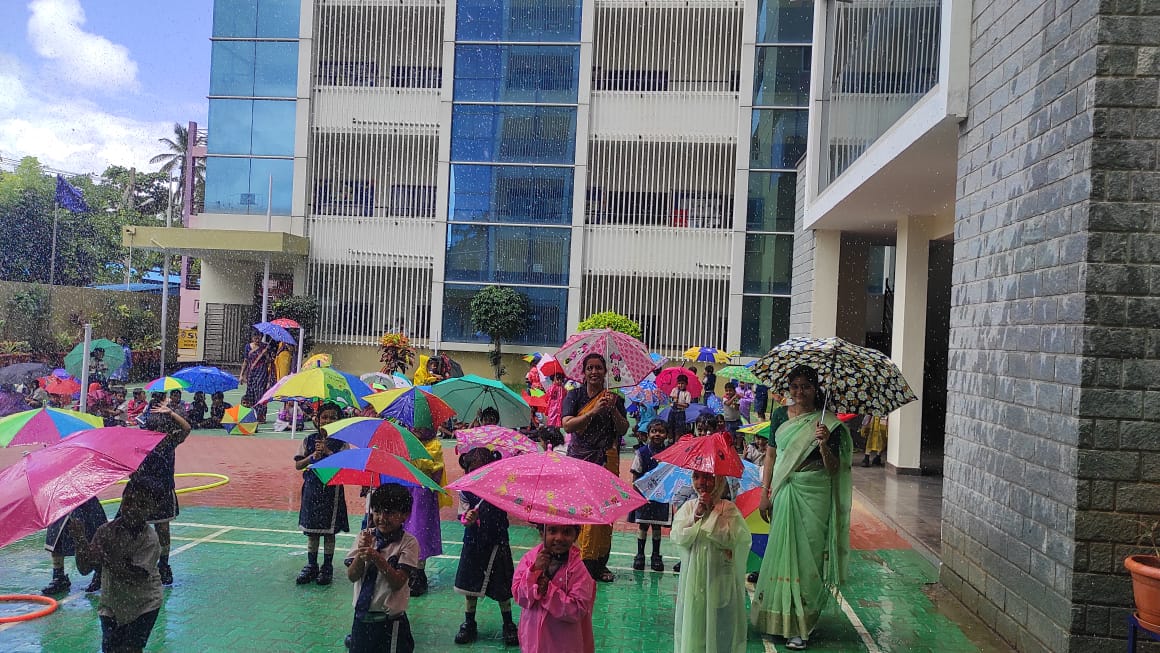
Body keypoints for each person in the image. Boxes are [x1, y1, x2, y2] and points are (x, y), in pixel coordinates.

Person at [750, 366, 853, 650]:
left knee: (809, 557)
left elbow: (835, 469)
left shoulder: (828, 423)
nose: (799, 392)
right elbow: (771, 455)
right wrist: (765, 492)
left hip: (815, 492)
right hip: (785, 489)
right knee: (781, 551)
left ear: (815, 389)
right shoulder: (780, 416)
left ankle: (801, 625)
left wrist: (824, 444)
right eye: (794, 386)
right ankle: (778, 619)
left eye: (806, 386)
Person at [70, 483, 163, 653]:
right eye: (128, 502)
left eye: (142, 504)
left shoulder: (150, 539)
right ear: (121, 502)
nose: (133, 508)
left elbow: (135, 576)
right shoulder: (106, 531)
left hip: (144, 604)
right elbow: (84, 568)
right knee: (110, 648)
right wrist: (80, 540)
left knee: (129, 649)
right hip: (112, 604)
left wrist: (106, 558)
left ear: (152, 509)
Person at [560, 353, 629, 583]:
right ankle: (575, 561)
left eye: (598, 368)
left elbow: (623, 429)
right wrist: (593, 411)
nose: (594, 372)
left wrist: (612, 410)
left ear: (605, 372)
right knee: (579, 511)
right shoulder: (575, 396)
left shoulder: (614, 399)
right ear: (584, 372)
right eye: (590, 368)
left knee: (604, 513)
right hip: (579, 461)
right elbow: (567, 425)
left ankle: (598, 563)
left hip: (605, 461)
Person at [671, 470, 750, 653]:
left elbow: (731, 539)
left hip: (719, 578)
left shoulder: (727, 509)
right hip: (695, 579)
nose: (701, 482)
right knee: (696, 622)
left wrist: (712, 512)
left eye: (708, 477)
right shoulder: (689, 507)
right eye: (696, 477)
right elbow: (679, 537)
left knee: (719, 625)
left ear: (719, 481)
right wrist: (697, 515)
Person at [453, 447, 518, 646]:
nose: (479, 475)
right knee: (470, 585)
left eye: (484, 470)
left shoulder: (501, 489)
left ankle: (508, 623)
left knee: (502, 586)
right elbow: (463, 517)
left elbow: (510, 506)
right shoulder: (466, 491)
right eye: (474, 471)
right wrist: (469, 519)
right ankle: (469, 622)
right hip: (474, 544)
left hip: (498, 542)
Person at [345, 483, 420, 653]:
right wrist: (361, 554)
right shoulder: (364, 537)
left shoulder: (409, 543)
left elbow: (397, 582)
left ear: (405, 515)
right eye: (377, 511)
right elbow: (352, 576)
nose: (381, 518)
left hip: (391, 623)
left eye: (389, 512)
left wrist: (377, 558)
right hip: (361, 620)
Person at [128, 402, 191, 586]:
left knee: (162, 529)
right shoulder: (141, 443)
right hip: (143, 491)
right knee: (139, 529)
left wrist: (171, 413)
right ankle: (139, 564)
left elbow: (187, 428)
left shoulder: (169, 441)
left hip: (162, 491)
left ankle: (163, 565)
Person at [511, 523, 595, 653]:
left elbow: (578, 610)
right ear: (542, 533)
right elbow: (520, 597)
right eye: (552, 531)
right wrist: (533, 571)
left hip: (563, 645)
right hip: (532, 642)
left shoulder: (578, 570)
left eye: (567, 532)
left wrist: (549, 592)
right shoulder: (530, 559)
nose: (559, 538)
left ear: (576, 535)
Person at [293, 402, 348, 586]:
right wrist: (312, 457)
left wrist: (328, 452)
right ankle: (312, 564)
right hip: (312, 490)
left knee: (329, 531)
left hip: (332, 491)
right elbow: (298, 465)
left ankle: (327, 565)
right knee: (312, 530)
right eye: (324, 417)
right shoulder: (309, 440)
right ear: (317, 419)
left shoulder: (341, 443)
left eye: (333, 417)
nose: (328, 420)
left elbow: (344, 466)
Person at [403, 426, 450, 597]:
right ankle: (405, 570)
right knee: (403, 530)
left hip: (423, 494)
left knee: (419, 533)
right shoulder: (405, 441)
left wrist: (424, 480)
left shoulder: (434, 445)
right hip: (405, 490)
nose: (418, 429)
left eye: (422, 425)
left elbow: (437, 472)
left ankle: (418, 573)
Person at [41, 496, 108, 595]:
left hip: (83, 498)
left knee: (93, 534)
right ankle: (59, 576)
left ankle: (99, 572)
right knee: (55, 538)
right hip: (60, 501)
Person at [628, 420, 672, 572]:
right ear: (648, 434)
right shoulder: (641, 453)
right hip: (644, 496)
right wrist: (637, 495)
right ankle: (640, 555)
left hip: (661, 496)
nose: (657, 434)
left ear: (666, 435)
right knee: (643, 525)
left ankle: (656, 555)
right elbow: (635, 474)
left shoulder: (669, 453)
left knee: (657, 526)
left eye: (661, 431)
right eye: (654, 431)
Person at [240, 332, 274, 423]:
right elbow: (246, 361)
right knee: (250, 393)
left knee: (260, 393)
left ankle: (260, 416)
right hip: (251, 373)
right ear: (252, 337)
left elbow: (269, 361)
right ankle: (250, 415)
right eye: (255, 337)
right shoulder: (248, 347)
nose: (257, 339)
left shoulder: (265, 347)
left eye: (259, 337)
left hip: (261, 372)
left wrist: (266, 354)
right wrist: (241, 375)